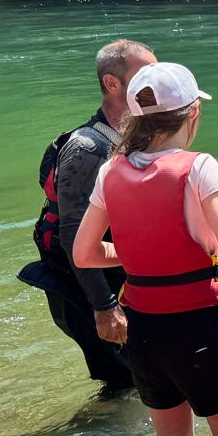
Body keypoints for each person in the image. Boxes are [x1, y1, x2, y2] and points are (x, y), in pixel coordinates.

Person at [72, 62, 218, 436]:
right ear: (194, 112)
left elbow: (84, 254)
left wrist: (142, 255)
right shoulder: (199, 166)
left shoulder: (110, 170)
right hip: (199, 328)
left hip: (143, 333)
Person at [21, 37, 156, 397]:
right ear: (112, 83)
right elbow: (74, 234)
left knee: (142, 377)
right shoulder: (87, 148)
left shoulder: (131, 138)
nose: (156, 82)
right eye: (146, 74)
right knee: (126, 384)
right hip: (84, 288)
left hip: (113, 278)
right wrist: (104, 306)